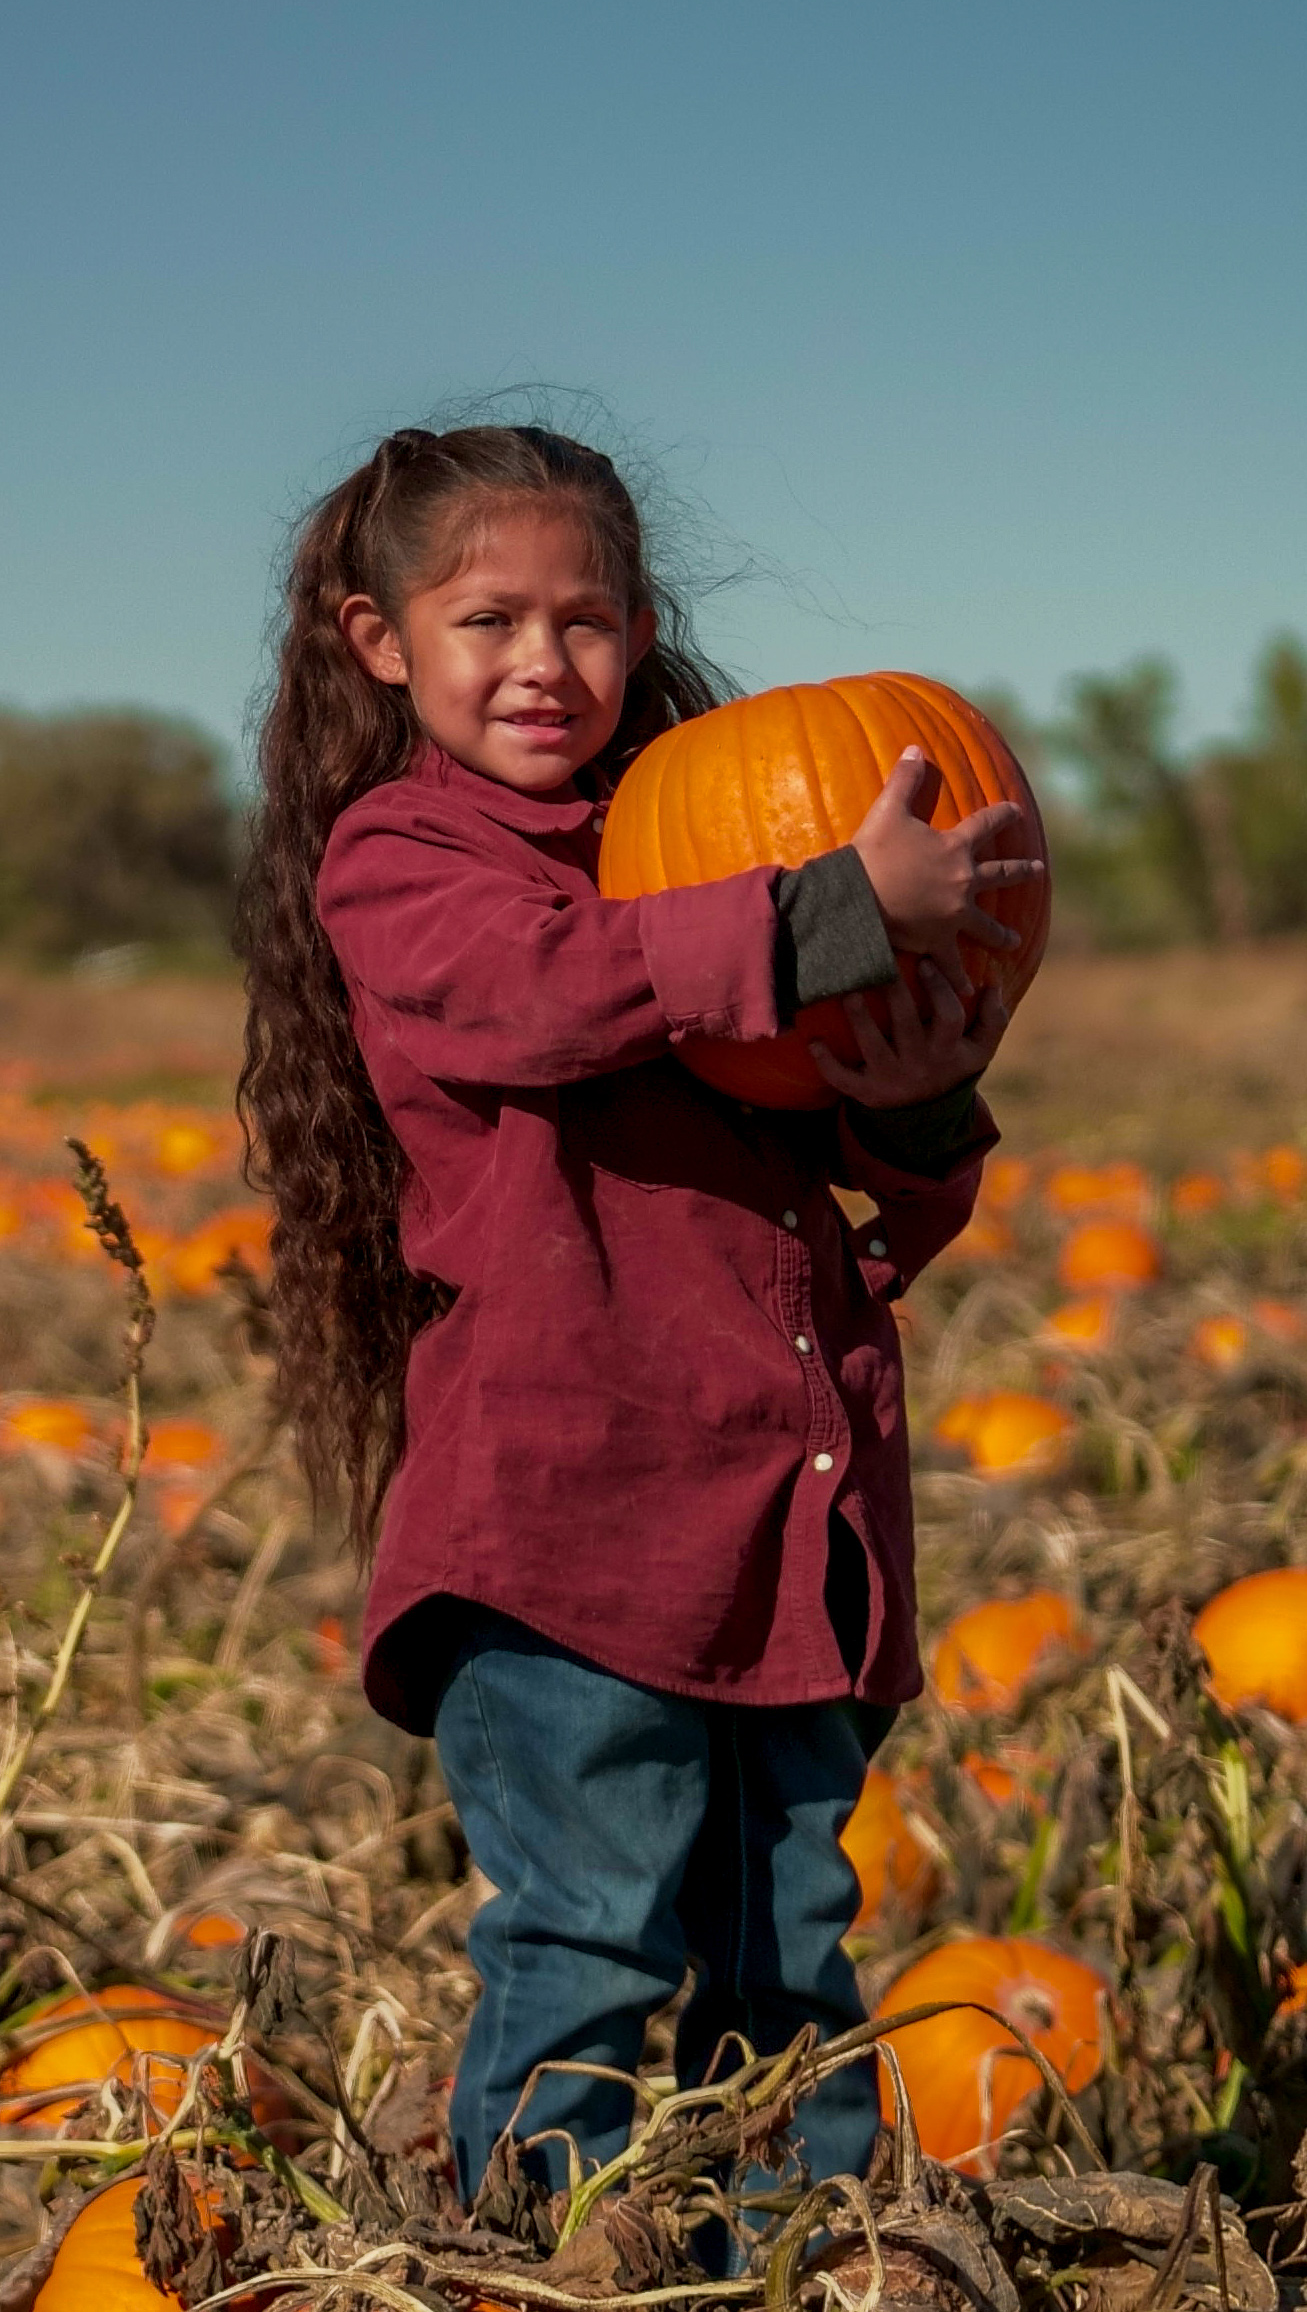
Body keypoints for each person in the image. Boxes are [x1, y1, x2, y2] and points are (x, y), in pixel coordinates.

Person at [235, 422, 1041, 2214]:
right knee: (593, 1945)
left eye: (586, 621)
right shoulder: (406, 859)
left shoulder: (700, 836)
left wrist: (914, 1101)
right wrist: (826, 910)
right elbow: (545, 994)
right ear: (381, 640)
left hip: (782, 1525)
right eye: (489, 621)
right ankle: (546, 2258)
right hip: (569, 1536)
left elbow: (867, 1207)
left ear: (642, 623)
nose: (544, 663)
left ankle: (792, 2254)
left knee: (790, 1971)